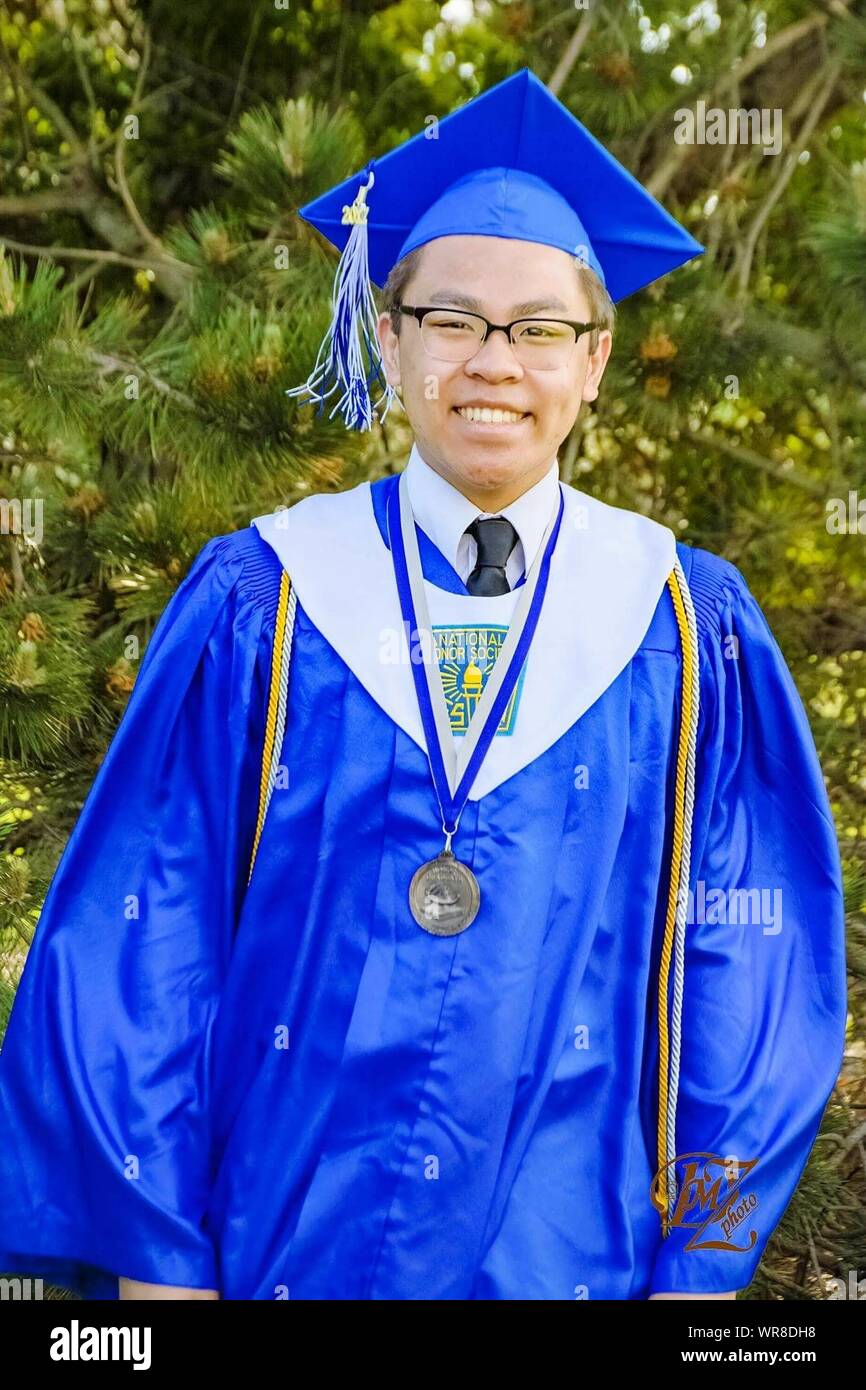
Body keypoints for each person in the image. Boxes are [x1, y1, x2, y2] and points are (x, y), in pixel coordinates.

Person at [0, 68, 847, 1301]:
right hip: (275, 1244)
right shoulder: (264, 596)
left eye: (538, 328)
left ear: (595, 359)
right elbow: (146, 928)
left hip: (578, 1262)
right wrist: (155, 1263)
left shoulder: (681, 620)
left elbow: (750, 969)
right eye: (450, 320)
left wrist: (704, 1267)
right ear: (387, 337)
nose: (492, 362)